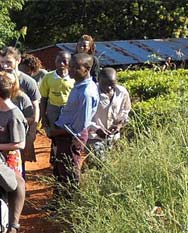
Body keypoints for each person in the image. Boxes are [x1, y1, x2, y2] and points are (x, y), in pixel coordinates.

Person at [46, 53, 99, 201]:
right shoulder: (79, 85)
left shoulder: (86, 92)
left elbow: (79, 125)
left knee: (69, 172)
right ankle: (57, 203)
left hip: (70, 137)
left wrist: (56, 131)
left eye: (76, 67)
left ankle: (70, 204)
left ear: (87, 69)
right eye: (71, 66)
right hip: (62, 133)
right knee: (59, 170)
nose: (70, 70)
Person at [39, 52, 75, 177]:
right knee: (53, 134)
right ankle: (55, 157)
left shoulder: (73, 78)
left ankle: (66, 158)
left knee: (66, 134)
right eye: (59, 60)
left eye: (64, 61)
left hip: (67, 110)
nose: (61, 64)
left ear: (70, 63)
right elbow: (43, 98)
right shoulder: (48, 77)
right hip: (53, 109)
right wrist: (43, 117)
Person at [87, 67, 131, 164]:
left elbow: (125, 111)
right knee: (101, 162)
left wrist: (118, 125)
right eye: (105, 84)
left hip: (113, 137)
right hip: (94, 136)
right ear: (98, 80)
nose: (109, 88)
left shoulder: (122, 92)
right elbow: (83, 117)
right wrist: (96, 129)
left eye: (112, 84)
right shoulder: (91, 93)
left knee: (109, 162)